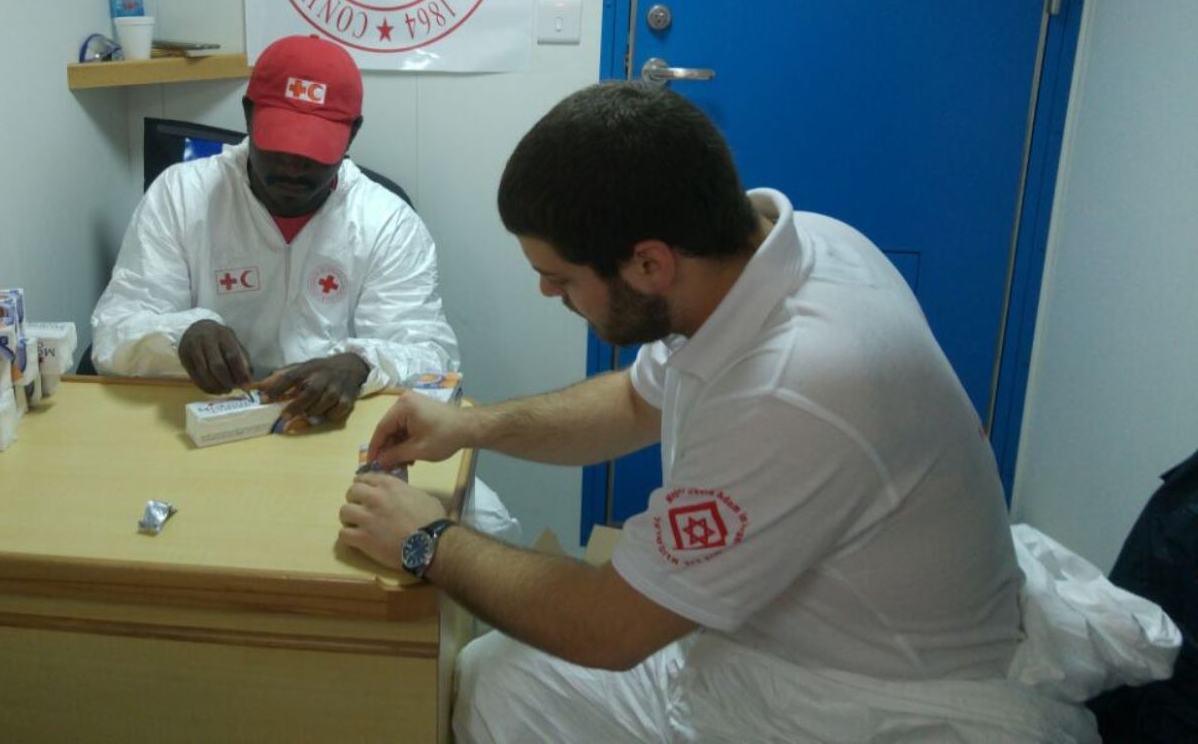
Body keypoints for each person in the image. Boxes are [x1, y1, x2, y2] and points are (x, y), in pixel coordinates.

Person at [340, 82, 1176, 742]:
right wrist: (470, 424)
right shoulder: (792, 245)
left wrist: (427, 539)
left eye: (560, 278)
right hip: (798, 640)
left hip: (872, 702)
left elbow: (610, 630)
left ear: (648, 262)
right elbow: (637, 399)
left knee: (508, 681)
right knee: (503, 681)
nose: (547, 292)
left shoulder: (792, 387)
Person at [91, 34, 459, 424]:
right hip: (206, 422)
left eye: (313, 151)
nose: (292, 167)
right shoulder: (181, 195)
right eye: (279, 145)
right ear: (249, 115)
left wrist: (360, 366)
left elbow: (431, 355)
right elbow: (113, 333)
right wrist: (180, 334)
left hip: (332, 428)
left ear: (352, 133)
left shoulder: (387, 222)